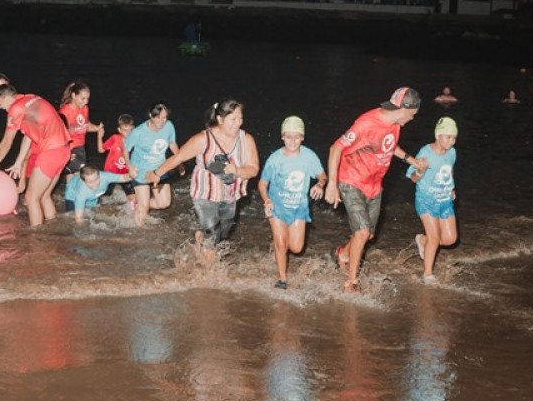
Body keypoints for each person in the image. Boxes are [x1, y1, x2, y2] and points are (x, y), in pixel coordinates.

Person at [326, 87, 426, 294]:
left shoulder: (394, 124)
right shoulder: (366, 123)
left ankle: (343, 253)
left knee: (367, 234)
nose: (412, 119)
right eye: (412, 114)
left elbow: (388, 146)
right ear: (403, 108)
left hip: (374, 185)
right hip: (351, 180)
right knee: (362, 232)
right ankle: (351, 283)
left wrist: (411, 159)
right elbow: (335, 148)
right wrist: (332, 184)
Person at [148, 98, 260, 257]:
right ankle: (210, 277)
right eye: (233, 119)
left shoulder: (246, 139)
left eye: (240, 119)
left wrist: (237, 170)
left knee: (223, 234)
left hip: (231, 195)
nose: (238, 123)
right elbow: (178, 157)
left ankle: (201, 237)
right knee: (213, 237)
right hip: (205, 193)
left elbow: (254, 169)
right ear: (220, 119)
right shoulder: (203, 139)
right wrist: (156, 174)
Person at [257, 116, 327, 289]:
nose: (292, 141)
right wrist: (267, 201)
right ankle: (282, 279)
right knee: (281, 242)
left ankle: (278, 250)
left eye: (297, 137)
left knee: (296, 247)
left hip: (299, 208)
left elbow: (322, 175)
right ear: (282, 137)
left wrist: (320, 184)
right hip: (277, 206)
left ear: (302, 137)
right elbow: (262, 183)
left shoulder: (309, 157)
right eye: (288, 137)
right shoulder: (275, 159)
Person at [0, 84, 72, 226]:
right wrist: (18, 162)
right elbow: (28, 136)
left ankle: (36, 238)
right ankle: (54, 230)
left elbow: (7, 141)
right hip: (64, 150)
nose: (0, 107)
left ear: (6, 97)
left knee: (31, 198)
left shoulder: (15, 109)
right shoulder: (30, 97)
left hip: (51, 152)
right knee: (44, 196)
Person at [410, 117, 460, 284]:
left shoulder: (452, 152)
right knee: (435, 239)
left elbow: (449, 169)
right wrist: (421, 171)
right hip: (426, 200)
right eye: (448, 137)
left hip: (445, 200)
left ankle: (422, 240)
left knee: (450, 239)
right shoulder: (425, 153)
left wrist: (451, 188)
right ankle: (427, 274)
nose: (451, 141)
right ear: (438, 136)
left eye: (454, 138)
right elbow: (413, 178)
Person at [125, 103, 181, 227]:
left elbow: (172, 143)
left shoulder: (169, 126)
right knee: (143, 207)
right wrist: (129, 167)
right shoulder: (138, 132)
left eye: (164, 118)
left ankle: (137, 202)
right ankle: (138, 234)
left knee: (164, 203)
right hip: (141, 171)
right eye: (158, 118)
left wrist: (180, 162)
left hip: (160, 169)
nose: (162, 121)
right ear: (151, 115)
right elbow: (125, 149)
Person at [59, 80, 103, 178]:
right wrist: (66, 152)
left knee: (72, 178)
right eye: (82, 98)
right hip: (70, 148)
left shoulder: (84, 108)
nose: (86, 102)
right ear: (74, 95)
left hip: (81, 147)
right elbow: (59, 135)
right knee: (82, 174)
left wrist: (98, 128)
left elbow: (86, 125)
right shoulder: (65, 112)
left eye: (87, 99)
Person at [64, 165, 135, 224]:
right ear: (84, 181)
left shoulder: (105, 177)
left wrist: (134, 174)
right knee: (70, 217)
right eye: (90, 182)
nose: (95, 184)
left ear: (99, 175)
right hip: (72, 194)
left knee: (92, 213)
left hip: (93, 196)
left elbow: (123, 177)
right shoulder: (81, 193)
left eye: (96, 179)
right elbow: (78, 218)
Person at [97, 113, 136, 203]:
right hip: (110, 173)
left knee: (134, 199)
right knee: (103, 198)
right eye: (125, 130)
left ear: (133, 128)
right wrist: (99, 136)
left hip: (126, 174)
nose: (128, 133)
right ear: (119, 130)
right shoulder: (115, 138)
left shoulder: (135, 141)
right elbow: (101, 150)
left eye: (130, 130)